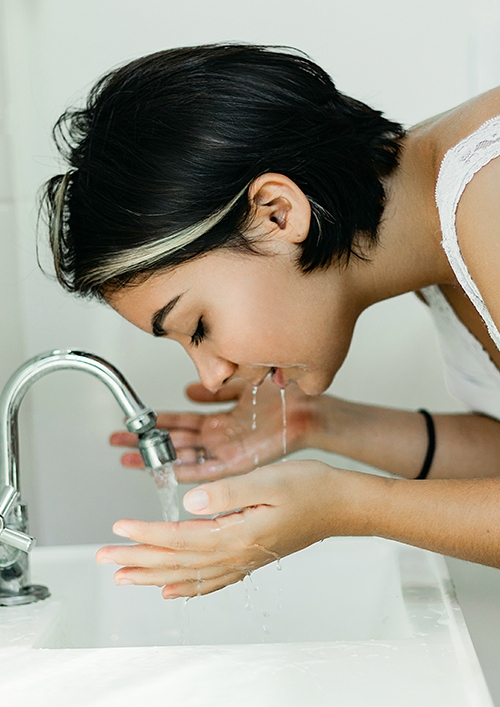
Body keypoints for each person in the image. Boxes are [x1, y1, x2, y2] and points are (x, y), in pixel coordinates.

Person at [43, 43, 500, 599]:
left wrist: (346, 506)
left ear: (276, 214)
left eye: (199, 325)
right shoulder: (433, 227)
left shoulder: (490, 193)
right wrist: (317, 423)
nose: (213, 376)